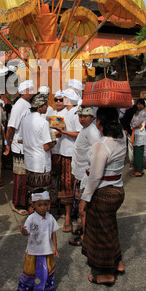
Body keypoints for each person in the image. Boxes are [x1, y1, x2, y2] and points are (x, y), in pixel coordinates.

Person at [79, 107, 126, 286]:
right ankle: (118, 262)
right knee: (110, 227)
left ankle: (106, 273)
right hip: (117, 190)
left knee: (101, 232)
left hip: (103, 192)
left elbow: (96, 176)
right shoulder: (121, 139)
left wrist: (85, 198)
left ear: (99, 122)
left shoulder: (102, 145)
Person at [12, 190, 59, 291]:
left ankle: (41, 289)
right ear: (33, 205)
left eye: (45, 205)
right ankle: (22, 288)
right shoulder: (31, 218)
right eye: (39, 205)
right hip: (33, 251)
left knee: (45, 271)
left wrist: (55, 247)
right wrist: (22, 231)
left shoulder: (50, 218)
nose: (43, 207)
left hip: (46, 251)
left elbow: (54, 233)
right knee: (30, 271)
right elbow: (26, 233)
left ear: (49, 204)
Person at [69, 106, 101, 246]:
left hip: (86, 175)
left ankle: (86, 236)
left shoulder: (93, 132)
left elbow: (97, 154)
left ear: (92, 117)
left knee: (84, 208)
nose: (82, 119)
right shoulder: (85, 130)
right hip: (79, 172)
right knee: (81, 205)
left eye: (85, 116)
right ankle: (84, 228)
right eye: (80, 116)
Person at [3, 80, 34, 216]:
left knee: (26, 177)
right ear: (24, 92)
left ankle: (27, 201)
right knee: (20, 178)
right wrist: (7, 145)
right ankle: (18, 204)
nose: (32, 91)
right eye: (30, 89)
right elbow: (11, 128)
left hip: (28, 146)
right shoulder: (19, 106)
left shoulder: (27, 105)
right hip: (19, 146)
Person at [20, 92, 55, 210]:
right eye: (45, 105)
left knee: (32, 191)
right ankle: (42, 214)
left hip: (29, 162)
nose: (47, 107)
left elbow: (21, 139)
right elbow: (46, 147)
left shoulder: (25, 119)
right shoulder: (43, 122)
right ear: (39, 107)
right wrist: (54, 142)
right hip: (41, 164)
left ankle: (33, 211)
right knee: (42, 193)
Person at [56, 88, 82, 232]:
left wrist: (63, 132)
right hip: (65, 151)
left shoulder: (76, 113)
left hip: (73, 154)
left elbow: (79, 133)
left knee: (73, 185)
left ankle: (71, 216)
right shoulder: (65, 114)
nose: (60, 101)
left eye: (63, 98)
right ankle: (68, 215)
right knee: (66, 185)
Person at [50, 90, 67, 206]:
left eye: (61, 100)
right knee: (54, 175)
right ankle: (54, 197)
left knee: (61, 176)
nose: (58, 102)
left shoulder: (66, 113)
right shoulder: (53, 112)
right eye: (56, 100)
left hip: (61, 149)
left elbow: (59, 133)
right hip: (53, 148)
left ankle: (60, 199)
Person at [130, 98, 146, 177]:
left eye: (141, 104)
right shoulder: (135, 113)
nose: (139, 105)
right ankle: (138, 169)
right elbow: (131, 124)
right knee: (136, 152)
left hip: (140, 134)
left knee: (139, 152)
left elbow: (136, 123)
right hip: (135, 133)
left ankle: (139, 170)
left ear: (144, 105)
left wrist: (134, 125)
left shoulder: (143, 113)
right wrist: (133, 125)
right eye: (138, 104)